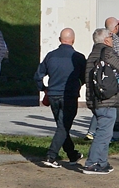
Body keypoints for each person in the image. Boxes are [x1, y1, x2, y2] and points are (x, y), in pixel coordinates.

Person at [83, 27, 119, 175]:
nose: (113, 41)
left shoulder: (92, 55)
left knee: (105, 132)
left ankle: (102, 162)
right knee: (103, 133)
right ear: (106, 40)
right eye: (112, 38)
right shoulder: (107, 52)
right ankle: (91, 163)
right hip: (107, 99)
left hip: (95, 99)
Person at [35, 28, 86, 167]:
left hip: (53, 95)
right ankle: (51, 156)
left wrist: (43, 89)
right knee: (63, 127)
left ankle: (72, 154)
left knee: (62, 126)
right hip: (69, 96)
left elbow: (38, 76)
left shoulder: (50, 56)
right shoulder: (79, 58)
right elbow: (85, 77)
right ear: (73, 40)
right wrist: (78, 85)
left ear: (59, 39)